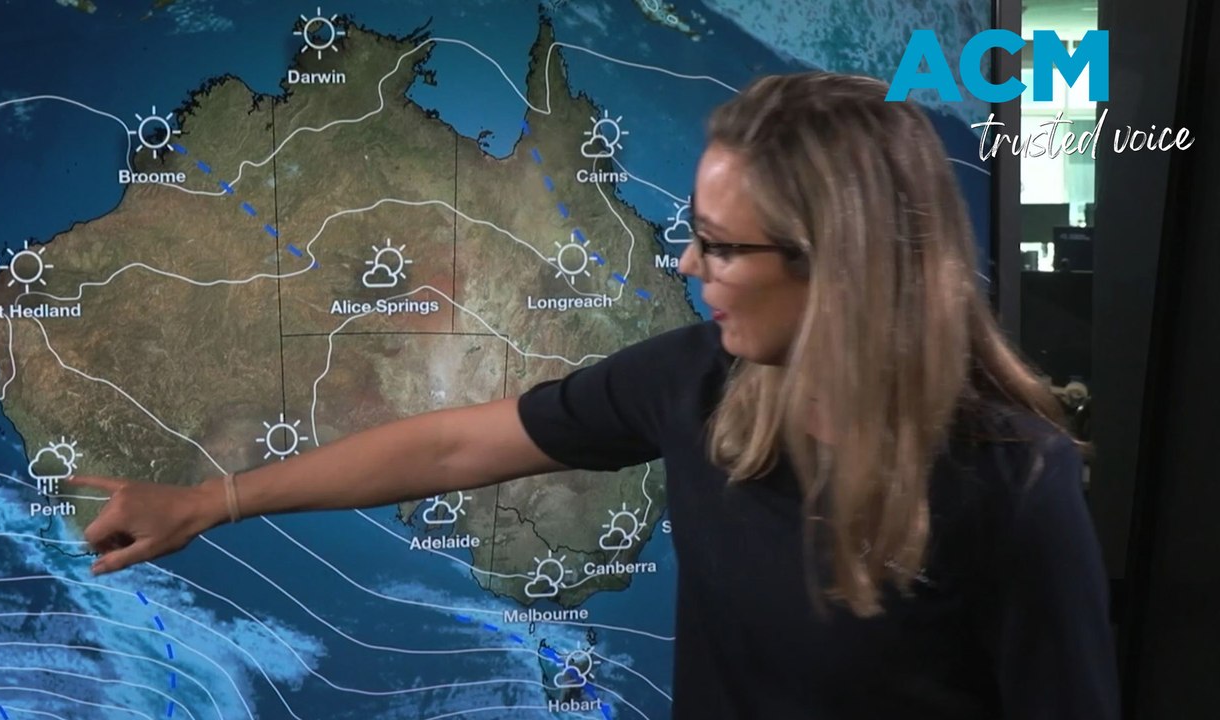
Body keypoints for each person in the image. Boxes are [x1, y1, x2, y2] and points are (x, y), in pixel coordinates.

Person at [72, 72, 1119, 719]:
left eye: (720, 245)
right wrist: (209, 502)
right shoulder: (696, 382)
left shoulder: (1010, 486)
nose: (687, 264)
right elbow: (450, 449)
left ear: (839, 265)